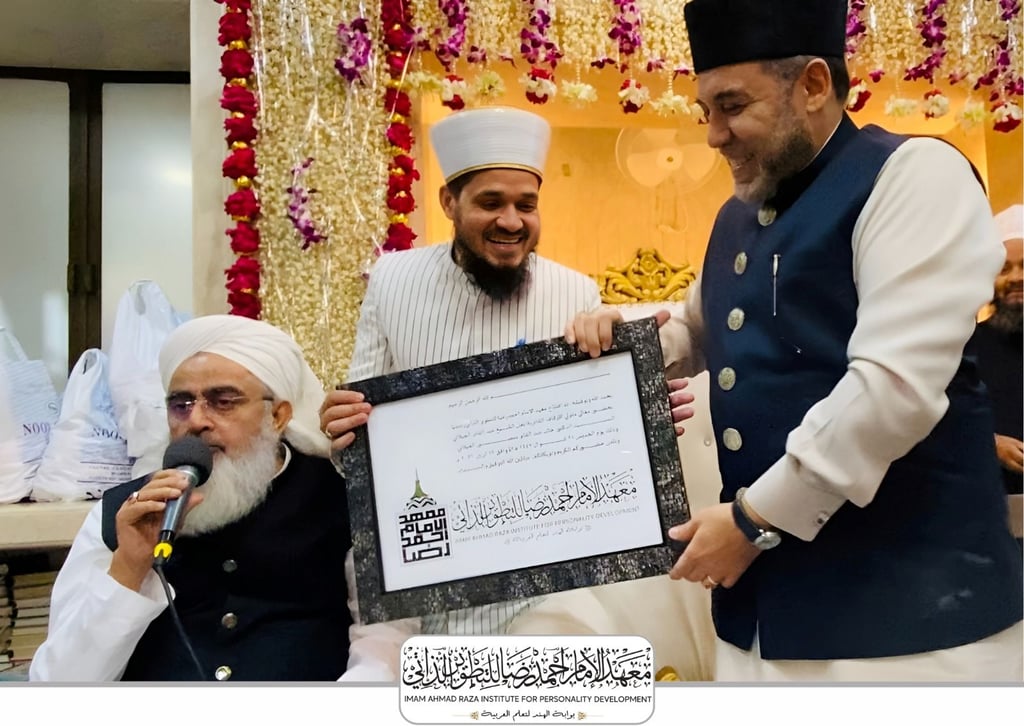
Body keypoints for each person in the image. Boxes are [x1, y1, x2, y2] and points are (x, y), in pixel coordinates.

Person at [566, 0, 1023, 681]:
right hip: (762, 618)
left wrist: (751, 522)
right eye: (705, 112)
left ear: (813, 85)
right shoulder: (738, 213)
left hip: (909, 631)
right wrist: (622, 342)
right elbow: (701, 325)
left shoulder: (914, 175)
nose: (713, 135)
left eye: (732, 105)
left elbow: (894, 388)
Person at [320, 106, 606, 681]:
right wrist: (341, 428)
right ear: (450, 204)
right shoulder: (393, 280)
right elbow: (359, 440)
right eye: (490, 202)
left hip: (536, 571)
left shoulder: (577, 292)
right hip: (411, 569)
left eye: (526, 205)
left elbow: (594, 446)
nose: (511, 220)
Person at [30, 315, 353, 681]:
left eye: (224, 401)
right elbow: (56, 686)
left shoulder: (338, 497)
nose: (196, 420)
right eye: (180, 404)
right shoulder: (123, 512)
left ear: (277, 415)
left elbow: (380, 651)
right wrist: (129, 568)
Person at [976, 204, 1023, 498]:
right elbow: (938, 426)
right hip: (995, 512)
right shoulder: (961, 347)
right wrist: (988, 444)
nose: (1016, 277)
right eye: (1004, 268)